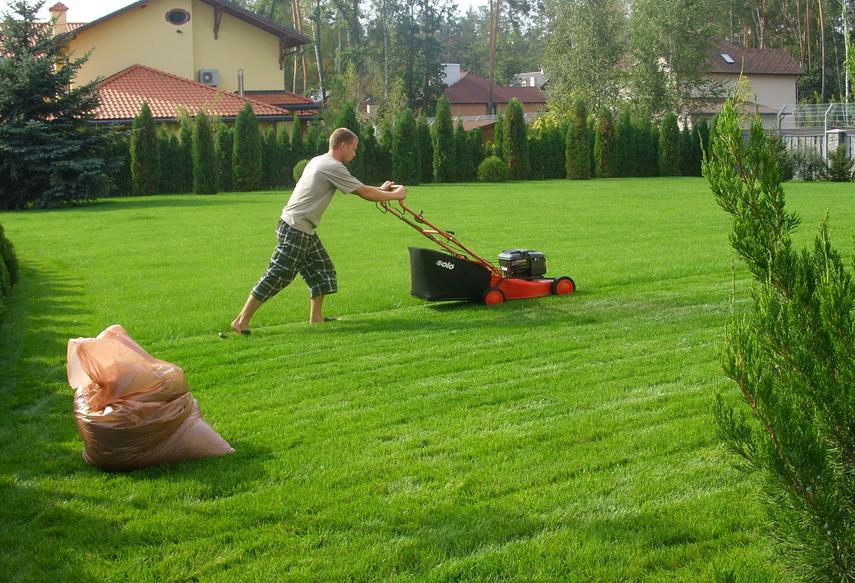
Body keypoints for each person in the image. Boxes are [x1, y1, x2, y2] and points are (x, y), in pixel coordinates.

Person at [231, 127, 407, 334]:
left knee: (322, 269)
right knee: (279, 274)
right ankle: (241, 321)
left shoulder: (320, 161)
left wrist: (381, 189)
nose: (355, 153)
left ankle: (317, 318)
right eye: (353, 148)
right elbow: (365, 194)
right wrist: (396, 196)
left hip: (302, 228)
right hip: (296, 228)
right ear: (343, 145)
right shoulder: (332, 166)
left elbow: (360, 188)